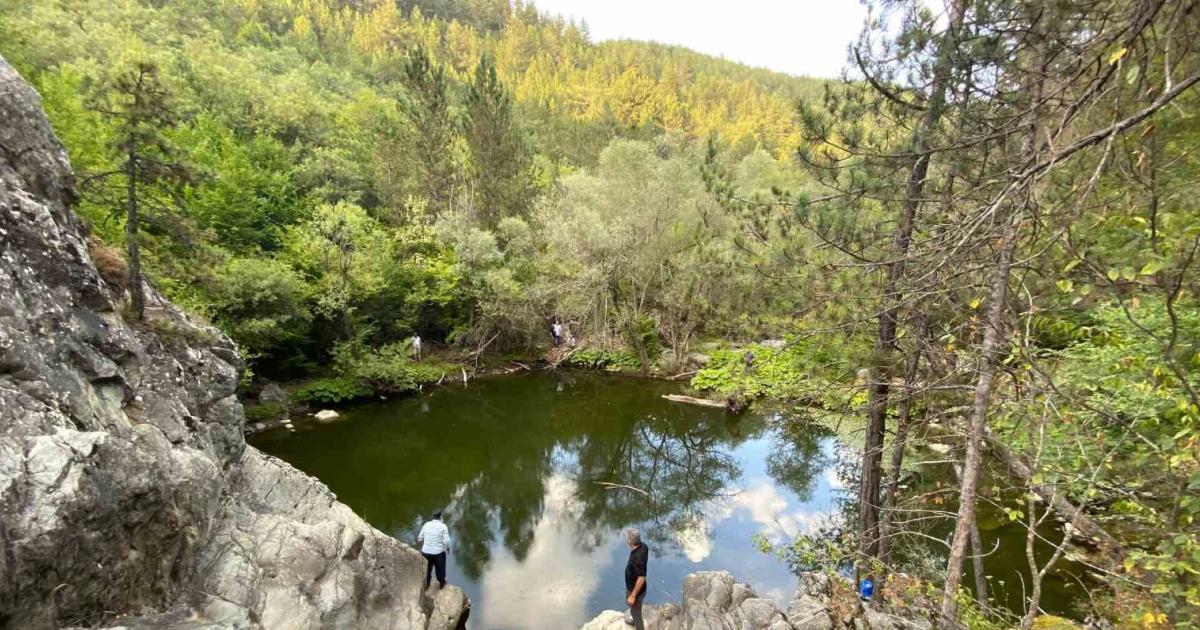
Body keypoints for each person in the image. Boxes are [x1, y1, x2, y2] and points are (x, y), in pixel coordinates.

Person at [417, 510, 451, 591]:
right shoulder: (443, 526)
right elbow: (446, 541)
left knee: (427, 570)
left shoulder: (426, 525)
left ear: (432, 517)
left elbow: (419, 538)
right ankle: (442, 583)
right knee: (440, 569)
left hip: (425, 552)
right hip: (438, 553)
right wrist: (448, 548)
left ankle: (427, 584)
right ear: (440, 517)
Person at [624, 528, 648, 630]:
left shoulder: (637, 558)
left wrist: (633, 596)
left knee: (636, 612)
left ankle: (638, 625)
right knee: (635, 609)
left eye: (626, 536)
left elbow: (641, 578)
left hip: (636, 590)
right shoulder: (643, 546)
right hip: (634, 587)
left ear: (630, 541)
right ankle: (634, 618)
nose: (625, 537)